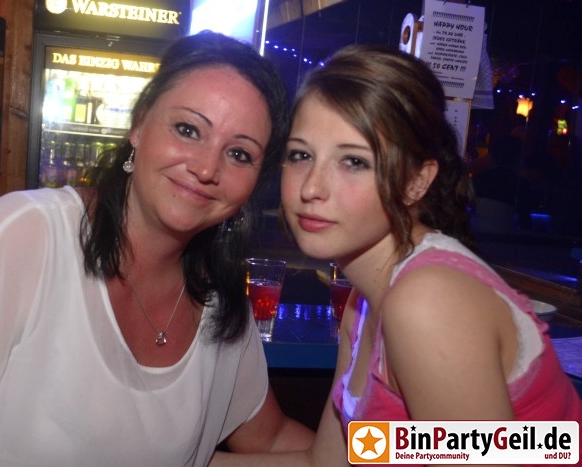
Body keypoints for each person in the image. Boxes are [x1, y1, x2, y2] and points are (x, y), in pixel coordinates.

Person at [0, 31, 313, 466]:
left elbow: (275, 440)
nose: (206, 168)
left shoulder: (221, 303)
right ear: (139, 125)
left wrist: (362, 407)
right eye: (188, 130)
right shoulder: (23, 237)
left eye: (239, 154)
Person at [213, 44, 581, 466]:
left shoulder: (427, 301)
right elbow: (328, 462)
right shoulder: (364, 300)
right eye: (301, 155)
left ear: (416, 182)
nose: (311, 187)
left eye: (353, 161)